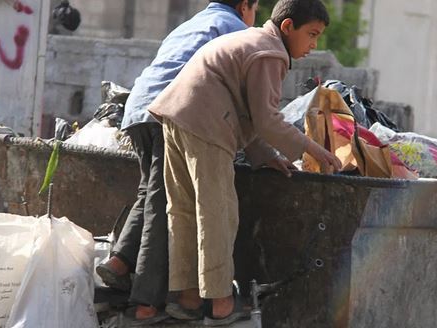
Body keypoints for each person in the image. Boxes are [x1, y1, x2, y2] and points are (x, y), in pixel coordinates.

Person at [147, 0, 342, 325]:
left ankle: (189, 298)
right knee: (218, 212)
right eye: (311, 34)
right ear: (287, 27)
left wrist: (268, 157)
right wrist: (314, 150)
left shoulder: (251, 40)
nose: (313, 45)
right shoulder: (270, 53)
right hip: (206, 125)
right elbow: (266, 120)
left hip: (176, 116)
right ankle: (220, 303)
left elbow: (249, 116)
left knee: (183, 211)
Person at [95, 0, 259, 325]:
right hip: (169, 112)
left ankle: (119, 263)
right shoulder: (238, 30)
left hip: (138, 108)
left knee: (151, 192)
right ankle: (145, 304)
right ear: (245, 6)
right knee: (162, 204)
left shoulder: (193, 23)